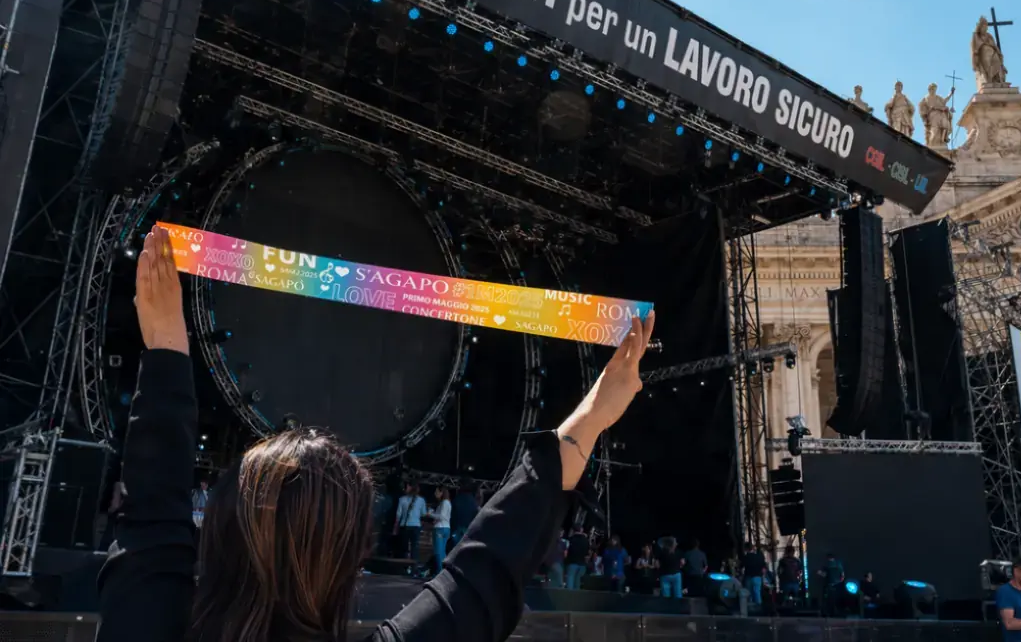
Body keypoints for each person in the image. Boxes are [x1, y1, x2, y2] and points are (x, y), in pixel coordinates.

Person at [96, 224, 656, 642]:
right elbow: (484, 571)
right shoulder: (144, 611)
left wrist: (166, 346)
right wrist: (594, 416)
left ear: (217, 526)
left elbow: (153, 512)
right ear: (351, 557)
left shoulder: (145, 621)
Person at [393, 482, 427, 563]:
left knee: (403, 548)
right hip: (416, 526)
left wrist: (395, 528)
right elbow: (424, 513)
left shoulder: (402, 499)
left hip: (404, 525)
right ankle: (413, 569)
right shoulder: (421, 500)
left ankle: (403, 567)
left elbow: (398, 515)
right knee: (414, 548)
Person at [448, 482, 479, 552]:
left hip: (457, 529)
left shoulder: (457, 499)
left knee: (455, 550)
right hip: (467, 530)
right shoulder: (473, 502)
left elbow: (452, 516)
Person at [430, 487, 452, 573]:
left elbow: (441, 516)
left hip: (440, 528)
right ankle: (442, 572)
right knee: (442, 552)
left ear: (441, 492)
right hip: (446, 528)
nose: (435, 494)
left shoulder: (444, 503)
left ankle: (439, 573)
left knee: (438, 552)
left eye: (437, 492)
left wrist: (431, 514)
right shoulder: (446, 503)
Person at [564, 525, 589, 590]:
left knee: (570, 579)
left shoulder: (570, 539)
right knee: (577, 582)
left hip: (572, 562)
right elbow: (587, 553)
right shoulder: (585, 540)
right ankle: (577, 597)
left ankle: (569, 597)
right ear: (581, 530)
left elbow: (566, 552)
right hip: (582, 564)